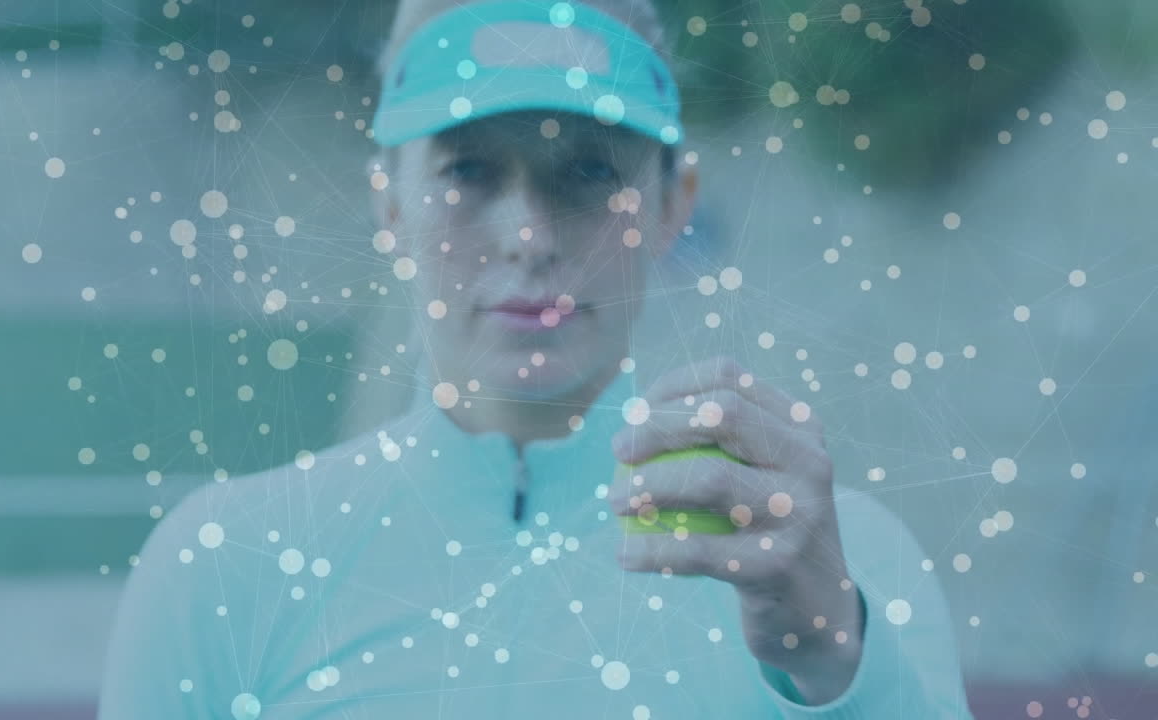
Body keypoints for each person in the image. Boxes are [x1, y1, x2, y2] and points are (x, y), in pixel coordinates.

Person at [98, 1, 974, 717]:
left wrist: (834, 665)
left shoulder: (841, 565)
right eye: (468, 171)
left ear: (674, 206)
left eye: (589, 171)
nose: (528, 235)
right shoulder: (225, 567)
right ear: (390, 204)